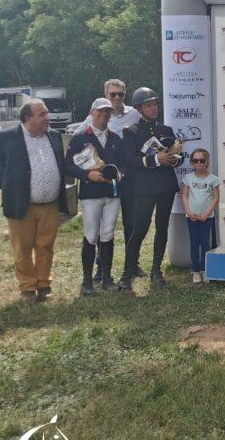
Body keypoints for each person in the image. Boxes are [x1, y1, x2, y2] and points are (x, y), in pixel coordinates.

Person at [0, 99, 68, 303]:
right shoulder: (6, 137)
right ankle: (27, 287)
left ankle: (44, 284)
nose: (48, 117)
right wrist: (10, 188)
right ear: (28, 118)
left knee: (45, 246)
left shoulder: (54, 136)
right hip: (22, 205)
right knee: (23, 247)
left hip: (50, 204)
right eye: (43, 114)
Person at [73, 78, 141, 274]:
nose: (117, 98)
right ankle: (100, 268)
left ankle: (132, 264)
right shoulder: (95, 116)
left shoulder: (134, 114)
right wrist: (88, 169)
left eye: (121, 94)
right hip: (102, 180)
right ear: (106, 95)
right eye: (113, 94)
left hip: (127, 177)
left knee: (131, 222)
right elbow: (78, 143)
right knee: (100, 227)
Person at [119, 87, 183, 291]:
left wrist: (174, 159)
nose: (153, 108)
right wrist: (156, 159)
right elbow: (129, 161)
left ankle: (156, 270)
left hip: (165, 185)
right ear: (139, 108)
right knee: (140, 229)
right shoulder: (131, 132)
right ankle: (126, 274)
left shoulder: (166, 130)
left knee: (162, 228)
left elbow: (177, 159)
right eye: (148, 105)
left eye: (155, 103)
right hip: (144, 187)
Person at [64, 98, 124, 296]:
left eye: (107, 112)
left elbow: (123, 164)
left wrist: (120, 174)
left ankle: (107, 278)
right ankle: (87, 281)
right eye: (100, 111)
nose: (104, 115)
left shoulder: (116, 138)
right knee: (91, 235)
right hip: (90, 194)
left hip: (112, 194)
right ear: (91, 112)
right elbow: (68, 165)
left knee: (107, 234)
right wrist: (87, 175)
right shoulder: (81, 137)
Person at [181, 148, 220, 283]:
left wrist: (206, 214)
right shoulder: (188, 178)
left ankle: (204, 270)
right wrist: (189, 212)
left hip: (206, 218)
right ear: (192, 163)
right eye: (195, 160)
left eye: (201, 160)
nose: (199, 163)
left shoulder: (213, 179)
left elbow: (216, 198)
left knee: (205, 243)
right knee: (194, 243)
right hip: (191, 217)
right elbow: (184, 196)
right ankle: (196, 271)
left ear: (206, 162)